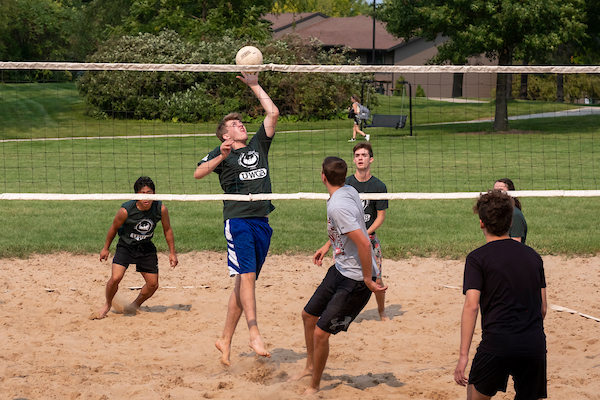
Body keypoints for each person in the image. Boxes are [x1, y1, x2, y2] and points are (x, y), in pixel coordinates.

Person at [194, 72, 279, 366]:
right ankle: (253, 331)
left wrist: (254, 84)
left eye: (240, 122)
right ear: (225, 135)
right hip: (238, 220)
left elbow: (273, 112)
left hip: (262, 221)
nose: (240, 124)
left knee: (243, 283)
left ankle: (225, 339)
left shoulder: (258, 145)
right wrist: (221, 154)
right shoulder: (222, 152)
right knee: (247, 278)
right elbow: (198, 173)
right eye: (234, 124)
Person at [288, 156, 387, 395]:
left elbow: (364, 244)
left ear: (323, 177)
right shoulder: (348, 190)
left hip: (355, 278)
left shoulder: (337, 205)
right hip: (340, 268)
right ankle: (310, 367)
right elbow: (346, 229)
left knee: (321, 333)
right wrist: (327, 246)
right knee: (308, 315)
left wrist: (367, 279)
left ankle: (314, 386)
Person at [454, 189, 547, 400]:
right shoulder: (533, 256)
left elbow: (472, 306)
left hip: (497, 344)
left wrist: (463, 356)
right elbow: (542, 308)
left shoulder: (477, 258)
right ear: (510, 222)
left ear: (481, 223)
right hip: (533, 344)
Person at [312, 143, 389, 321]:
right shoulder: (345, 186)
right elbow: (340, 226)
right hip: (349, 241)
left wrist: (363, 232)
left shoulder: (378, 186)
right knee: (343, 275)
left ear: (371, 159)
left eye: (364, 155)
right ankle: (336, 311)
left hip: (368, 238)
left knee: (376, 279)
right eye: (357, 155)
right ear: (353, 160)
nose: (360, 158)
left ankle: (381, 311)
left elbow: (380, 217)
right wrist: (326, 246)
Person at [93, 176, 178, 320]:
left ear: (155, 193)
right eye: (142, 193)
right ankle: (107, 305)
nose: (146, 198)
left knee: (153, 285)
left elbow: (167, 229)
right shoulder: (126, 210)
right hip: (126, 246)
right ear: (136, 195)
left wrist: (172, 252)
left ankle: (134, 305)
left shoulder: (160, 209)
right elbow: (113, 228)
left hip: (145, 248)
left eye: (149, 193)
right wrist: (105, 248)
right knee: (115, 278)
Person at [493, 178, 527, 244]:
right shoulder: (497, 213)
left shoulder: (515, 215)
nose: (497, 194)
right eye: (495, 191)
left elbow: (516, 245)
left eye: (501, 190)